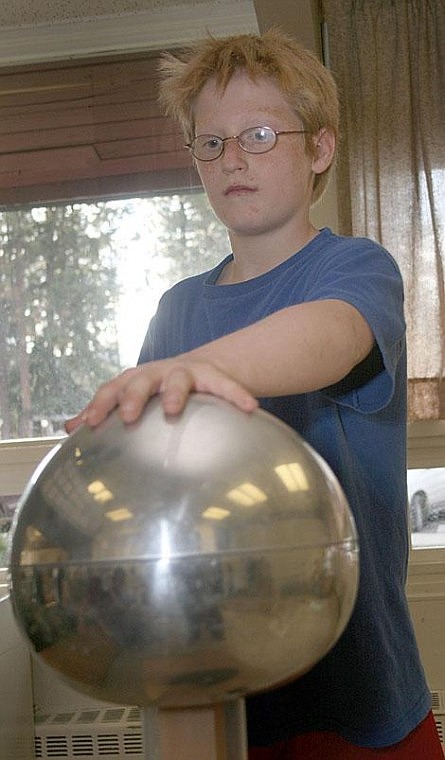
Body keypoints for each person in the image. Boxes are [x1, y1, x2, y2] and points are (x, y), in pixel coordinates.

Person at [66, 29, 444, 759]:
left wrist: (191, 369)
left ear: (319, 151)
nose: (231, 158)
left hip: (359, 694)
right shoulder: (176, 310)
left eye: (260, 135)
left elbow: (330, 337)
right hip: (224, 697)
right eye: (210, 144)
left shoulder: (356, 268)